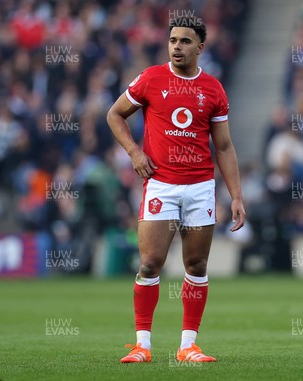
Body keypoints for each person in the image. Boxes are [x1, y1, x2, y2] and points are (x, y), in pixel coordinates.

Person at [106, 16, 246, 363]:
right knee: (151, 263)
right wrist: (135, 153)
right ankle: (142, 345)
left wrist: (237, 196)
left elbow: (224, 148)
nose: (176, 47)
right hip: (161, 185)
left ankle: (188, 346)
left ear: (200, 47)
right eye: (172, 41)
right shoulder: (151, 79)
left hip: (200, 187)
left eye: (185, 41)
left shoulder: (213, 89)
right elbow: (114, 115)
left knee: (196, 265)